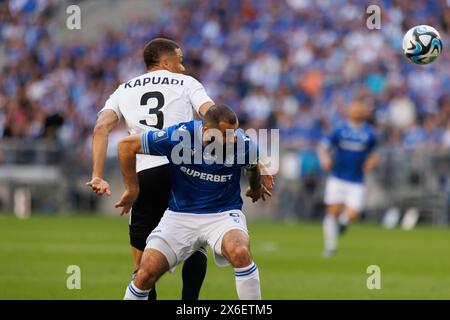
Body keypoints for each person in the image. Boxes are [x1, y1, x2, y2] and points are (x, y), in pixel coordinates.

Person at [86, 38, 215, 300]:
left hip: (145, 174)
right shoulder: (187, 83)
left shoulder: (124, 89)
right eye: (179, 61)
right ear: (165, 62)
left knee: (141, 264)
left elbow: (101, 128)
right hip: (185, 170)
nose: (183, 67)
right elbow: (211, 113)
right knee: (197, 242)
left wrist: (97, 174)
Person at [115, 104, 271, 300]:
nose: (232, 139)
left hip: (223, 214)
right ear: (206, 130)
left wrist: (256, 188)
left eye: (234, 132)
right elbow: (126, 146)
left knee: (240, 252)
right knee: (145, 273)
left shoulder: (245, 144)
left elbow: (253, 167)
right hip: (180, 215)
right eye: (225, 134)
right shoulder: (180, 136)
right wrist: (132, 188)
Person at [318, 100, 378, 257]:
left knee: (353, 213)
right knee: (331, 211)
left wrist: (371, 163)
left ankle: (343, 223)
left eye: (360, 108)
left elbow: (373, 154)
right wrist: (324, 159)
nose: (357, 111)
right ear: (349, 111)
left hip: (357, 179)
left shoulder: (369, 134)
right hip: (337, 176)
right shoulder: (339, 129)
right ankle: (330, 247)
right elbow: (323, 147)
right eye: (355, 108)